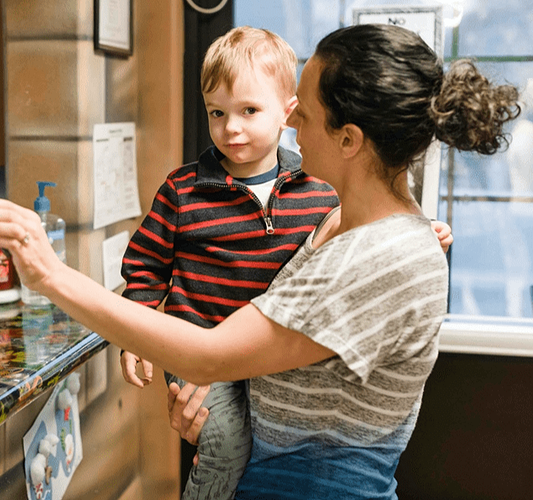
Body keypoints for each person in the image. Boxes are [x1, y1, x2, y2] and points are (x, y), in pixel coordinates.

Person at [0, 24, 519, 499]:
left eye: (305, 112)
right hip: (267, 468)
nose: (293, 124)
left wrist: (51, 274)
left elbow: (210, 355)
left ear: (348, 139)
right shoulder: (347, 218)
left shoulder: (379, 252)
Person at [118, 26, 339, 500]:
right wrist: (133, 334)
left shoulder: (320, 191)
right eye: (217, 113)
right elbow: (145, 265)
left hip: (273, 353)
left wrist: (423, 229)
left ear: (288, 113)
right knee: (223, 444)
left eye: (249, 111)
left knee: (276, 449)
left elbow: (362, 230)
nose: (230, 128)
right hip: (199, 349)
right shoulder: (182, 190)